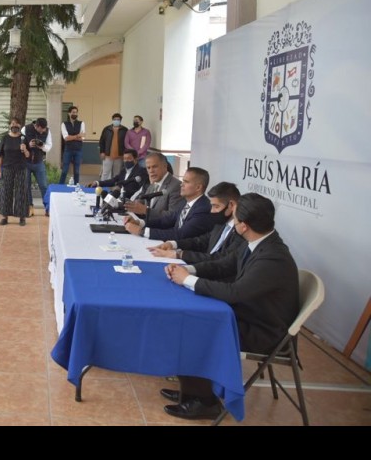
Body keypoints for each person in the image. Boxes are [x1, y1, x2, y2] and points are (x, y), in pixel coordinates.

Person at [163, 193, 299, 420]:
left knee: (195, 328)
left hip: (263, 331)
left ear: (244, 226)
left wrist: (187, 280)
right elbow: (223, 265)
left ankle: (205, 402)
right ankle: (192, 389)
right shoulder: (256, 242)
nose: (232, 223)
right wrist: (187, 270)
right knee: (190, 318)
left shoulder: (273, 257)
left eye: (234, 219)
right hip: (247, 315)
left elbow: (234, 293)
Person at [149, 182, 242, 264]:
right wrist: (173, 244)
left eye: (216, 206)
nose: (212, 211)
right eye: (212, 206)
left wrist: (179, 254)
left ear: (231, 205)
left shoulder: (241, 231)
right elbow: (200, 241)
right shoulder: (221, 224)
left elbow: (220, 259)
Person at [124, 167, 216, 241]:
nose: (181, 184)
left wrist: (142, 232)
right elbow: (168, 220)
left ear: (198, 187)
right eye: (183, 181)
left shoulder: (203, 208)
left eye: (186, 182)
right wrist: (140, 223)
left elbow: (181, 234)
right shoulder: (185, 202)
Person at [123, 152, 184, 221]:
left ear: (165, 166)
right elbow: (143, 203)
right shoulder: (153, 183)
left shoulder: (176, 186)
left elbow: (172, 217)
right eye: (148, 168)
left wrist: (146, 211)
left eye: (154, 167)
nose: (151, 171)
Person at [0, 118, 30, 226]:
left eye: (17, 124)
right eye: (12, 124)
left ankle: (22, 217)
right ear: (10, 125)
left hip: (21, 168)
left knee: (21, 192)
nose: (14, 126)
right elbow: (0, 155)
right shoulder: (5, 138)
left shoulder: (24, 138)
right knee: (5, 191)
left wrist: (25, 149)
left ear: (20, 126)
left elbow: (28, 155)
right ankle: (4, 217)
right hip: (7, 168)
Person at [23, 118, 52, 217]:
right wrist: (28, 145)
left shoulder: (47, 131)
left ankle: (48, 208)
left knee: (43, 186)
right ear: (36, 126)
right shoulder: (25, 129)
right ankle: (29, 207)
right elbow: (20, 143)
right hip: (26, 162)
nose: (43, 132)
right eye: (41, 130)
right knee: (26, 186)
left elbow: (49, 146)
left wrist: (42, 146)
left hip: (39, 162)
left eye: (44, 129)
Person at [58, 106, 85, 186]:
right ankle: (60, 187)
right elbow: (66, 138)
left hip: (78, 149)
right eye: (73, 112)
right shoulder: (64, 124)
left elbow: (83, 137)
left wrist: (72, 137)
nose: (75, 114)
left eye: (76, 112)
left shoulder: (81, 123)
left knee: (76, 171)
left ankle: (76, 186)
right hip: (68, 149)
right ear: (69, 113)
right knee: (64, 170)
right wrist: (77, 136)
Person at [98, 112, 126, 181]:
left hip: (119, 156)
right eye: (115, 119)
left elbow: (126, 143)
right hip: (107, 156)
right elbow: (102, 141)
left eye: (118, 119)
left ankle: (114, 187)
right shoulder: (106, 129)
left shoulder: (125, 130)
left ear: (120, 120)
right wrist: (102, 152)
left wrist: (124, 154)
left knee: (116, 174)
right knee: (105, 173)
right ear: (112, 120)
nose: (116, 121)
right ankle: (103, 186)